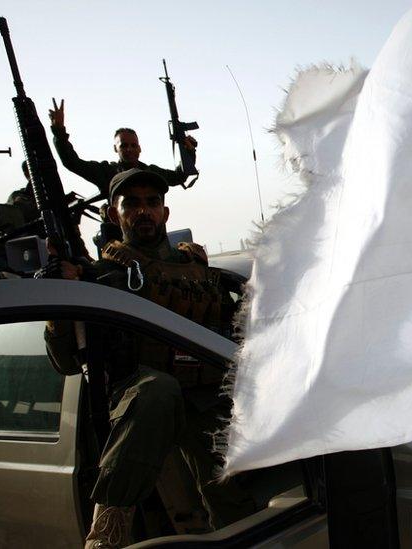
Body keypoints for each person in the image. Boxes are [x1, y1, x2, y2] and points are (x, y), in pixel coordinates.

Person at [44, 169, 252, 548]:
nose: (144, 211)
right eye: (132, 204)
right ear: (113, 215)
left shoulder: (200, 271)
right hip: (139, 399)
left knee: (233, 502)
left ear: (165, 213)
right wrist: (58, 301)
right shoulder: (99, 279)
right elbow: (66, 364)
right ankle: (106, 532)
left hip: (205, 397)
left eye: (152, 202)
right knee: (157, 390)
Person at [48, 98, 198, 197]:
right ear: (116, 149)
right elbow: (71, 162)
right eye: (124, 146)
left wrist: (188, 152)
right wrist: (59, 131)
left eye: (133, 145)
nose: (129, 149)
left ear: (140, 148)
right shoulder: (106, 172)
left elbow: (179, 176)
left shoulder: (150, 172)